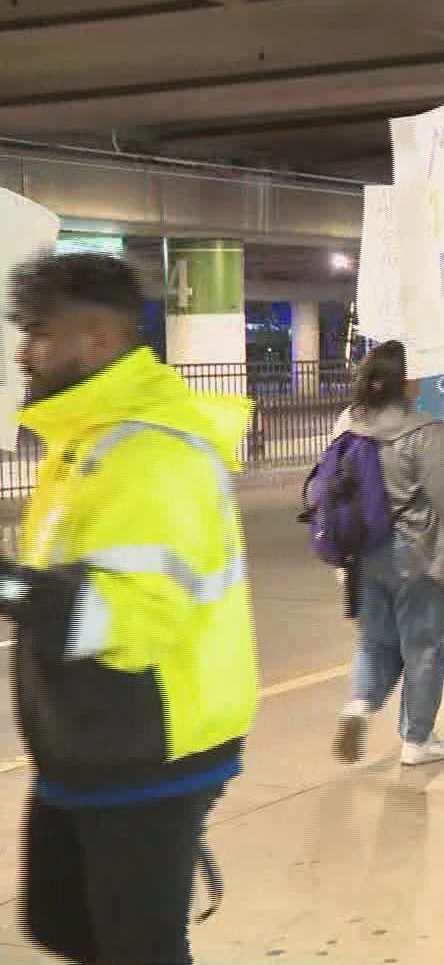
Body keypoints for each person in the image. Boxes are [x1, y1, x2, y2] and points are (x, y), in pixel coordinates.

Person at [0, 252, 257, 965]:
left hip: (150, 743)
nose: (24, 350)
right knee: (59, 920)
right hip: (88, 740)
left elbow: (128, 618)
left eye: (39, 331)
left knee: (135, 947)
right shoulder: (85, 442)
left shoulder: (149, 454)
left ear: (99, 341)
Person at [330, 340, 444, 768]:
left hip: (363, 555)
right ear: (406, 380)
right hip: (418, 556)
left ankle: (359, 705)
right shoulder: (425, 431)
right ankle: (418, 739)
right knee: (422, 645)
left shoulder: (346, 425)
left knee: (374, 643)